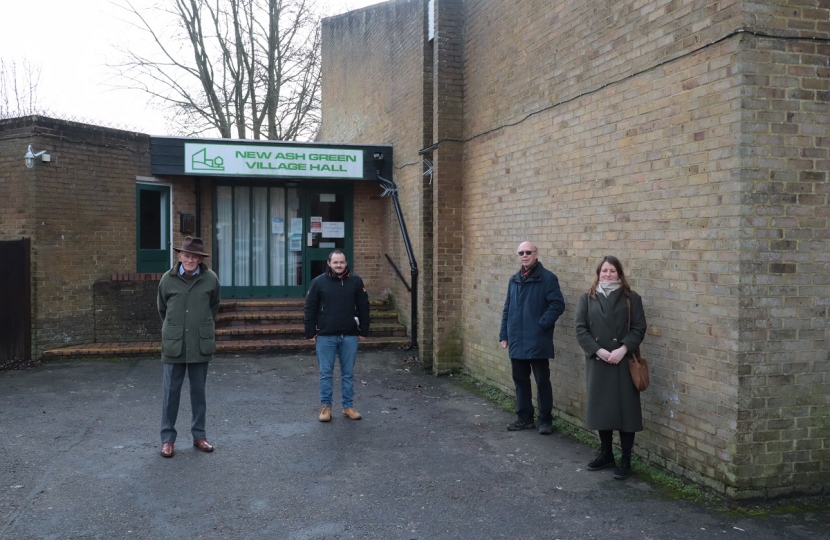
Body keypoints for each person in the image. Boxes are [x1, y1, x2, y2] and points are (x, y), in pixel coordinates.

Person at [574, 255, 647, 480]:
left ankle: (626, 458)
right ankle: (606, 453)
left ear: (620, 274)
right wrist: (598, 351)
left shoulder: (631, 298)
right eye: (604, 271)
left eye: (612, 271)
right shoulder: (587, 298)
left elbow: (638, 328)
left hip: (623, 361)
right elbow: (581, 328)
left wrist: (622, 350)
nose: (608, 274)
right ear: (598, 274)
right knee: (602, 409)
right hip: (599, 360)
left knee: (627, 412)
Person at [157, 236, 221, 458]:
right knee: (170, 394)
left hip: (199, 344)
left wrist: (199, 326)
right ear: (179, 256)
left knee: (198, 393)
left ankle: (199, 436)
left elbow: (214, 307)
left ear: (200, 259)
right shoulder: (167, 279)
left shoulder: (211, 279)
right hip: (174, 345)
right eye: (187, 255)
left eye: (195, 257)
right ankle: (167, 439)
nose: (190, 260)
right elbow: (162, 309)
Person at [499, 241, 565, 435]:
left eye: (528, 252)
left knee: (542, 381)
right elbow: (507, 309)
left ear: (536, 254)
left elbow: (557, 305)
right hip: (517, 340)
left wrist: (541, 324)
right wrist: (504, 334)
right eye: (521, 252)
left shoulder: (548, 278)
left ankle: (545, 420)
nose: (525, 255)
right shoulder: (514, 280)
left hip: (537, 339)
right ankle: (524, 418)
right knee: (520, 380)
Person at [304, 249, 370, 422]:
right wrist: (310, 331)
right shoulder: (318, 282)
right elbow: (310, 307)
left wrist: (364, 330)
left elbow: (364, 307)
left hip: (349, 335)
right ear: (329, 263)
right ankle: (326, 407)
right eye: (335, 262)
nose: (339, 265)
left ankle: (348, 406)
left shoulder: (356, 281)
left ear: (346, 263)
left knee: (347, 373)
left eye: (341, 262)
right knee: (326, 373)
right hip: (325, 336)